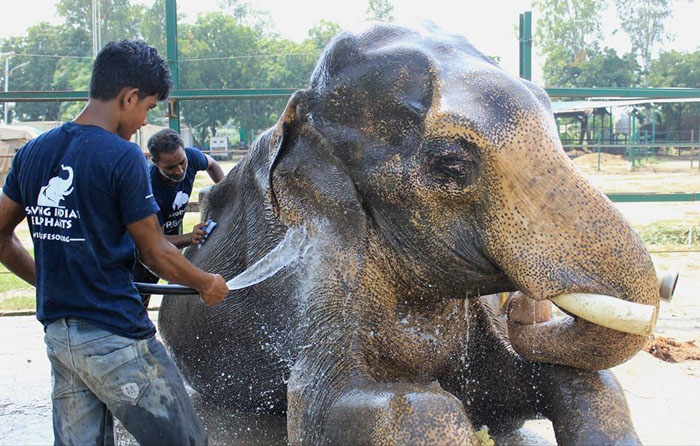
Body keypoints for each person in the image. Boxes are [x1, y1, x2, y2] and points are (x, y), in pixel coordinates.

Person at [0, 39, 228, 446]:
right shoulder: (123, 157)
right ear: (129, 97)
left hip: (59, 335)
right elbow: (154, 252)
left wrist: (49, 282)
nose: (143, 122)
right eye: (147, 109)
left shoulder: (33, 152)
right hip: (117, 337)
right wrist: (205, 283)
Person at [132, 128, 225, 304]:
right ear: (155, 162)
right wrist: (190, 237)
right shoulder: (149, 189)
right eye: (170, 167)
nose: (179, 171)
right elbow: (155, 242)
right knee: (138, 299)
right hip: (143, 254)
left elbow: (212, 165)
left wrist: (224, 188)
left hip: (170, 242)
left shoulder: (192, 157)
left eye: (182, 162)